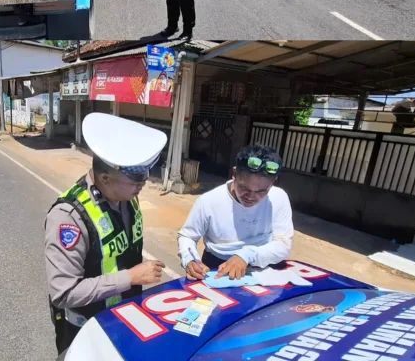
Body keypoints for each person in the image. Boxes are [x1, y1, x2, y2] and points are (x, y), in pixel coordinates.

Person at [45, 113, 167, 355]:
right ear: (104, 178)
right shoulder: (69, 217)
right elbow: (64, 292)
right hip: (85, 328)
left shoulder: (127, 197)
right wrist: (130, 277)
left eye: (144, 178)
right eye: (135, 182)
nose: (142, 186)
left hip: (124, 316)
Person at [177, 144, 293, 281]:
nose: (251, 196)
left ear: (274, 182)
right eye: (244, 188)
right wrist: (190, 259)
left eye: (261, 191)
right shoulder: (209, 201)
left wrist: (247, 255)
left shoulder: (278, 198)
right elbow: (188, 236)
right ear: (234, 174)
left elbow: (283, 245)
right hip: (218, 268)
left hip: (265, 267)